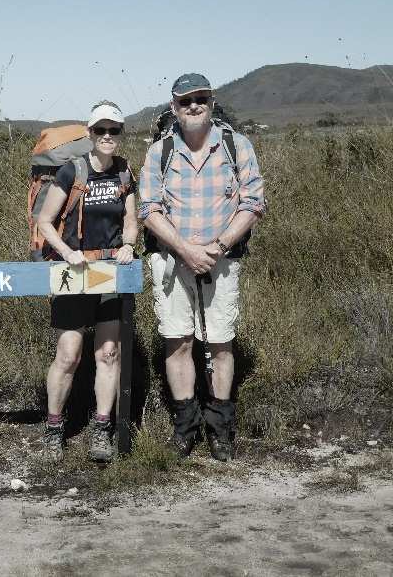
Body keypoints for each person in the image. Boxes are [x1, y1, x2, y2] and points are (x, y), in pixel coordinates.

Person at [138, 73, 266, 461]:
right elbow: (148, 209)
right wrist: (184, 249)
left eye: (202, 99)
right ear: (174, 107)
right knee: (178, 343)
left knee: (221, 345)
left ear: (212, 102)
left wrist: (219, 245)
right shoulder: (160, 151)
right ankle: (185, 428)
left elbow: (253, 202)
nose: (194, 106)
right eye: (185, 100)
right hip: (170, 261)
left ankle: (220, 429)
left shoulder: (236, 145)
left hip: (221, 261)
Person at [36, 101, 137, 462]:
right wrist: (66, 252)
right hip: (74, 271)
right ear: (90, 134)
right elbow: (45, 222)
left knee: (109, 354)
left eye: (114, 130)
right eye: (100, 130)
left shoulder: (125, 172)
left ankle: (101, 429)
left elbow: (130, 218)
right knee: (68, 355)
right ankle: (53, 429)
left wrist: (128, 244)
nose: (107, 136)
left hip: (109, 271)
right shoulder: (72, 171)